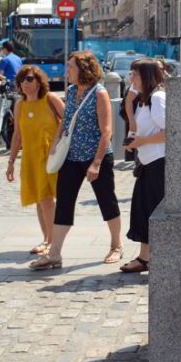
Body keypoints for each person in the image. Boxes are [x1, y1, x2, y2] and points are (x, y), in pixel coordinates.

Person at [30, 50, 122, 271]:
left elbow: (106, 131)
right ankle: (55, 254)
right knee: (64, 203)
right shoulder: (71, 92)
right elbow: (66, 120)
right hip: (72, 156)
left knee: (106, 200)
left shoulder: (99, 93)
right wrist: (55, 144)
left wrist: (97, 163)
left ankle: (116, 245)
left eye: (70, 66)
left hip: (95, 155)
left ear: (84, 69)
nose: (67, 71)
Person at [6, 65, 64, 254]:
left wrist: (56, 142)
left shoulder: (50, 99)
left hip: (50, 156)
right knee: (39, 200)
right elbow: (17, 135)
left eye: (30, 79)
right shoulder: (20, 104)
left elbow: (69, 120)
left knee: (47, 200)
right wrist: (11, 162)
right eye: (22, 80)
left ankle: (52, 242)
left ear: (39, 82)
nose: (25, 83)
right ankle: (47, 239)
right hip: (30, 158)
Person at [120, 59, 166, 273]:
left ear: (145, 77)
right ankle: (145, 258)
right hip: (149, 163)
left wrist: (142, 142)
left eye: (135, 75)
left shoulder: (157, 98)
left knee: (151, 212)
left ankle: (151, 258)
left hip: (159, 164)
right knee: (142, 211)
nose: (131, 79)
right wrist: (134, 138)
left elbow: (171, 132)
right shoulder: (144, 98)